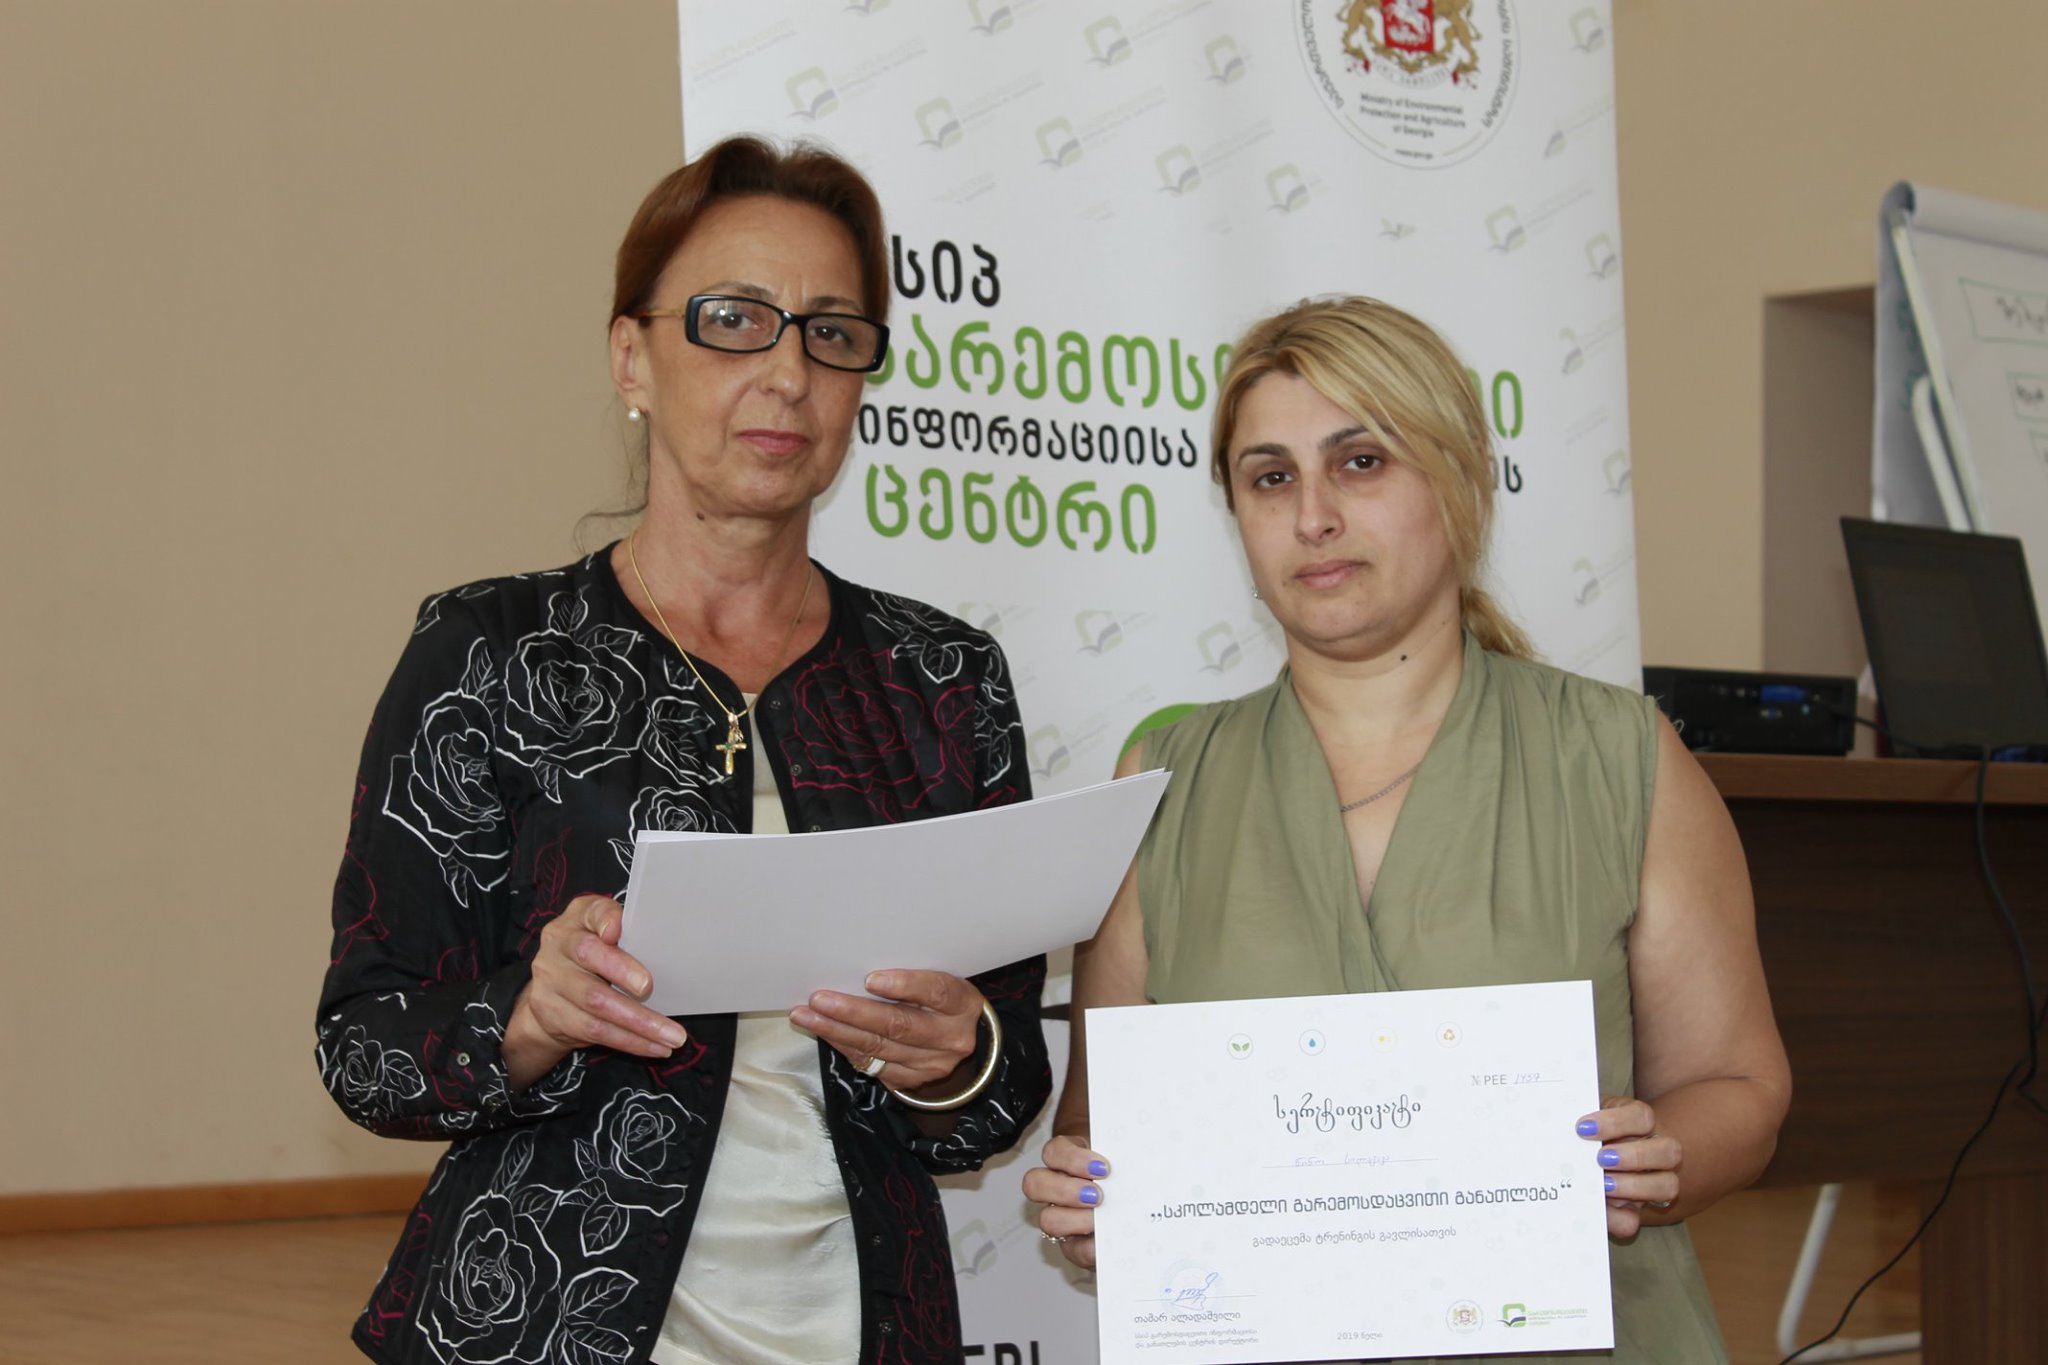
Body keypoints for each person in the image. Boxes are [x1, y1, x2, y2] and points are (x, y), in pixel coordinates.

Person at [317, 135, 1049, 1365]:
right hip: (543, 1325)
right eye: (733, 321)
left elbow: (1002, 1083)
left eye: (830, 332)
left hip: (870, 1328)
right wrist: (531, 1015)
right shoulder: (489, 651)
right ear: (630, 357)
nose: (787, 374)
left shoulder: (939, 679)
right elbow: (365, 1046)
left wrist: (952, 1060)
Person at [1022, 296, 1791, 1361]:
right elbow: (1097, 1126)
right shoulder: (1163, 781)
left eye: (1361, 462)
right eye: (1270, 477)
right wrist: (1090, 1193)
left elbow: (1741, 1089)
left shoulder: (1618, 754)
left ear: (1460, 478)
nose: (1313, 516)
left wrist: (1656, 1157)